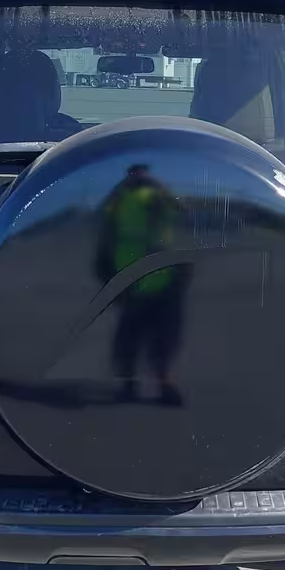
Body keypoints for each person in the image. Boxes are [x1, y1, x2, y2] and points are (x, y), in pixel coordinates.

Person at [95, 164, 189, 405]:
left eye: (143, 172)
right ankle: (130, 382)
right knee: (132, 333)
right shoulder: (120, 198)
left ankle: (163, 381)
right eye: (135, 173)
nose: (140, 176)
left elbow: (182, 209)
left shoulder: (157, 195)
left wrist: (158, 185)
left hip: (160, 276)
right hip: (131, 277)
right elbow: (104, 223)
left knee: (162, 333)